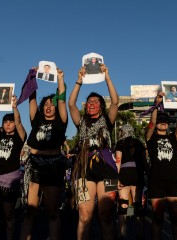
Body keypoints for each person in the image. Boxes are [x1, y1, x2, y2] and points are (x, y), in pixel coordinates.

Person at [68, 63, 118, 240]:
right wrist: (79, 81)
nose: (92, 103)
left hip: (108, 170)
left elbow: (115, 101)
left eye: (96, 101)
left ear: (101, 106)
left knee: (106, 215)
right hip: (84, 170)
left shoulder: (107, 119)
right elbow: (71, 104)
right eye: (89, 101)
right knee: (84, 215)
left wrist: (107, 78)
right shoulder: (81, 122)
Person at [20, 67, 67, 240]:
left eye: (51, 105)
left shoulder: (61, 122)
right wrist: (32, 76)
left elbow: (61, 99)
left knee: (52, 211)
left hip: (54, 165)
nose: (49, 107)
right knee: (30, 211)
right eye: (46, 104)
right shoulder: (37, 119)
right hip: (35, 165)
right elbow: (31, 97)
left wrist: (60, 78)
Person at [145, 92, 177, 240]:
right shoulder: (151, 137)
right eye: (160, 120)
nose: (163, 122)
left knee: (176, 218)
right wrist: (156, 104)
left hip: (174, 182)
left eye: (165, 121)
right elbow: (151, 123)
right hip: (156, 182)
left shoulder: (173, 138)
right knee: (157, 218)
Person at [0, 95, 26, 240]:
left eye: (11, 122)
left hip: (10, 181)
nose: (8, 124)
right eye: (6, 122)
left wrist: (15, 107)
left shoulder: (19, 138)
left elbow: (19, 122)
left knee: (9, 215)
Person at [115, 124, 146, 240]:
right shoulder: (139, 143)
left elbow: (118, 162)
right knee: (138, 205)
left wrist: (116, 178)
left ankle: (121, 234)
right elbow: (144, 162)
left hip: (124, 173)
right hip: (137, 174)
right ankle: (141, 233)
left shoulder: (120, 143)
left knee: (123, 204)